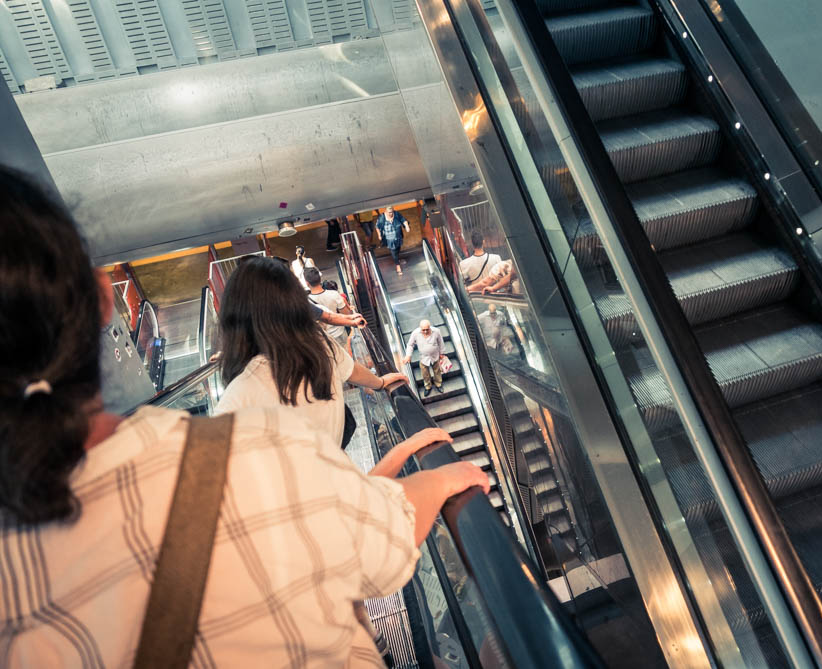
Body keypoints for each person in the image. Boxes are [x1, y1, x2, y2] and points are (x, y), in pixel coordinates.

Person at [0, 166, 489, 667]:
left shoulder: (13, 599)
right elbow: (378, 548)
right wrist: (440, 472)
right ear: (103, 299)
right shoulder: (245, 450)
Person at [305, 267, 351, 350]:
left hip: (324, 338)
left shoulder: (307, 301)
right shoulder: (334, 294)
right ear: (320, 279)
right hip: (339, 333)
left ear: (307, 283)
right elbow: (347, 314)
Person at [402, 319, 445, 397]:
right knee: (425, 374)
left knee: (437, 371)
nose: (425, 331)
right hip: (423, 358)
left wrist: (441, 353)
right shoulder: (415, 333)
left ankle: (438, 384)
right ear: (420, 328)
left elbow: (440, 342)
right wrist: (408, 355)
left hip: (435, 356)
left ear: (430, 327)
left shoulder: (436, 331)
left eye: (427, 329)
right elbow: (410, 345)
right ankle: (428, 386)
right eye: (423, 330)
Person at [376, 205, 410, 276]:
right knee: (393, 252)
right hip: (389, 239)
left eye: (391, 212)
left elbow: (403, 220)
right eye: (389, 212)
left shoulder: (396, 214)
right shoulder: (382, 217)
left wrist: (406, 226)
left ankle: (397, 260)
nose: (390, 214)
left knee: (398, 249)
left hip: (398, 237)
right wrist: (379, 235)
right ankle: (398, 266)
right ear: (385, 211)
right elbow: (377, 227)